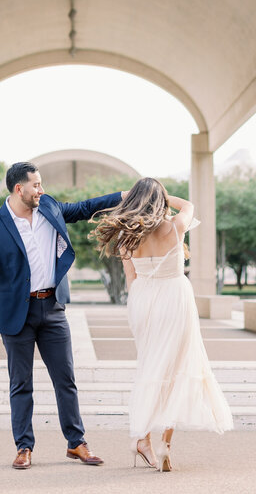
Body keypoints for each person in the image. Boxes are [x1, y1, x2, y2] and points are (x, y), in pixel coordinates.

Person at [0, 161, 125, 470]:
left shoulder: (49, 207)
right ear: (19, 188)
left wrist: (123, 195)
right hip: (16, 315)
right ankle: (24, 447)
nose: (42, 190)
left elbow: (85, 207)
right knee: (20, 383)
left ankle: (76, 443)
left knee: (66, 380)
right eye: (36, 185)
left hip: (52, 308)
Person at [92, 177, 233, 471]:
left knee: (150, 366)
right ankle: (164, 443)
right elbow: (190, 206)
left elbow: (131, 279)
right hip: (174, 297)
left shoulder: (126, 237)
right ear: (160, 202)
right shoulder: (174, 227)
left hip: (143, 300)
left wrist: (140, 307)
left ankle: (141, 437)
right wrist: (166, 196)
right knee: (177, 368)